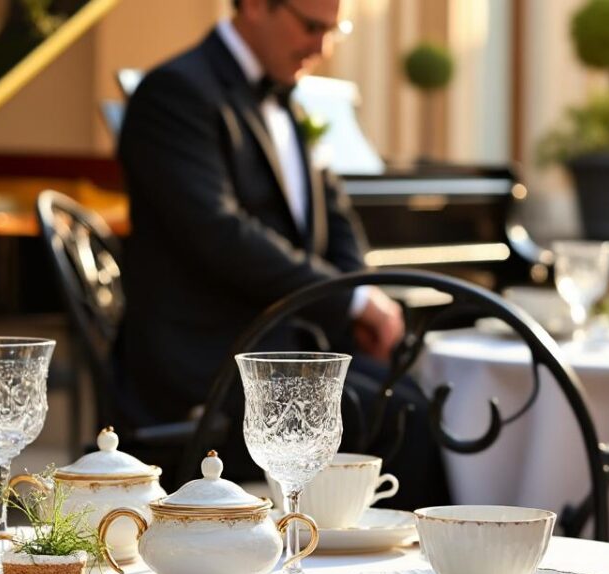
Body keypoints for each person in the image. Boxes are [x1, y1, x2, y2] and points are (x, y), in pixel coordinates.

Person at [114, 0, 447, 508]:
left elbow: (334, 219)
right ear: (252, 6)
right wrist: (351, 305)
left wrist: (360, 291)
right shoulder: (176, 92)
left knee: (417, 394)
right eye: (312, 26)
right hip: (207, 365)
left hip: (282, 349)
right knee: (397, 412)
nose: (324, 46)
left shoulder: (290, 96)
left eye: (336, 30)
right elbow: (221, 236)